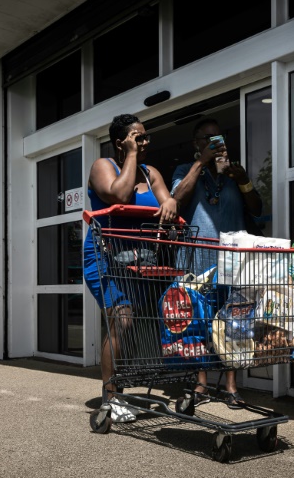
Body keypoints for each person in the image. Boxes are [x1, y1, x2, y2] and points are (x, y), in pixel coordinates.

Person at [84, 113, 178, 423]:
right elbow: (118, 194)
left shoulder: (151, 173)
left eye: (145, 137)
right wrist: (132, 155)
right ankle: (110, 397)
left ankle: (126, 387)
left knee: (138, 319)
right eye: (137, 138)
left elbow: (169, 204)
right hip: (105, 257)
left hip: (139, 261)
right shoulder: (102, 166)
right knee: (121, 319)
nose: (145, 142)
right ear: (120, 142)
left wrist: (170, 204)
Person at [171, 118, 262, 409]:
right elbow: (176, 200)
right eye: (206, 138)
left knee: (235, 320)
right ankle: (202, 382)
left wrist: (244, 179)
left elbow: (257, 209)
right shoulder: (185, 170)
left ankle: (231, 385)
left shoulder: (233, 173)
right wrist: (202, 163)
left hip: (233, 258)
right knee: (200, 320)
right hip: (198, 259)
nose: (214, 142)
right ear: (196, 144)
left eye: (218, 137)